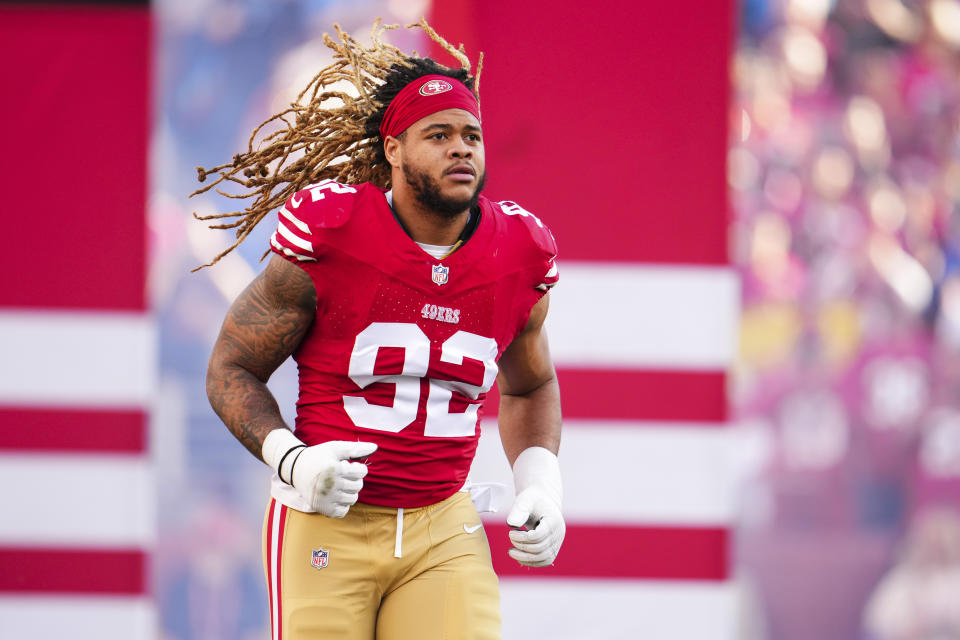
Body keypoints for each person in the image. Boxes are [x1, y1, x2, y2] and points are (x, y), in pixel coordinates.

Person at [193, 19, 565, 640]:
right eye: (439, 134)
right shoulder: (334, 233)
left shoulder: (519, 252)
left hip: (442, 523)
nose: (462, 148)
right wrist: (292, 461)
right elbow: (230, 368)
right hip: (326, 521)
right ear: (392, 149)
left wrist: (541, 483)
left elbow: (531, 384)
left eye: (472, 135)